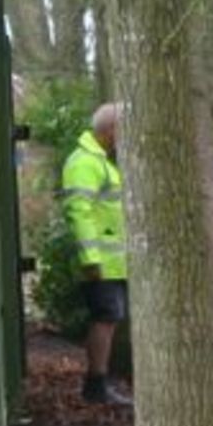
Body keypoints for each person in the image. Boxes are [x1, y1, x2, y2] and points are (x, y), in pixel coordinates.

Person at [63, 103, 130, 407]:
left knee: (110, 318)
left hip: (112, 262)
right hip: (101, 264)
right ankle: (96, 385)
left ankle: (100, 383)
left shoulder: (102, 160)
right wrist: (91, 259)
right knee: (106, 317)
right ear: (109, 130)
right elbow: (80, 212)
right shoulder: (85, 163)